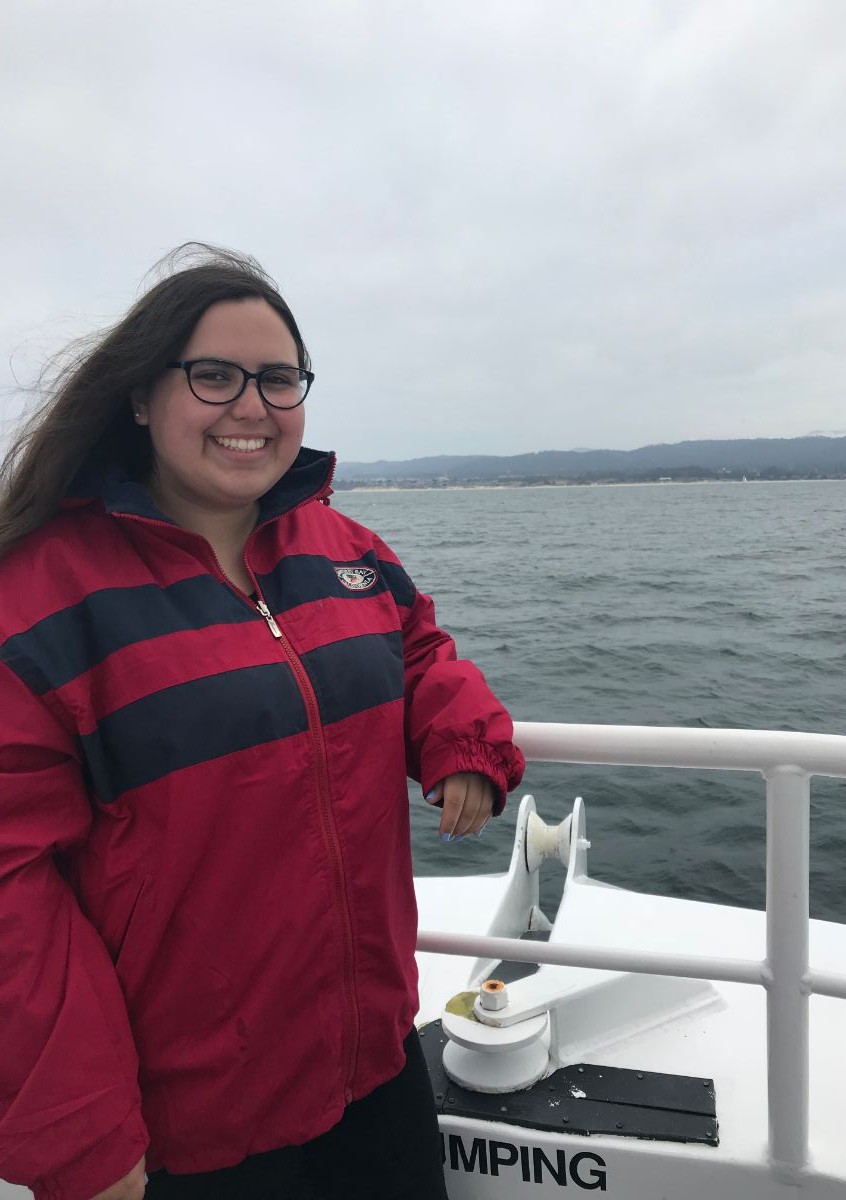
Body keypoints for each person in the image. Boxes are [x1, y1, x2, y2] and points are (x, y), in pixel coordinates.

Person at [0, 246, 525, 1200]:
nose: (253, 406)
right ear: (139, 397)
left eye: (279, 378)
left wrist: (463, 741)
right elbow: (11, 899)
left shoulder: (344, 550)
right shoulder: (39, 601)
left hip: (373, 1061)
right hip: (192, 1123)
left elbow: (415, 650)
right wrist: (82, 1134)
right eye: (214, 376)